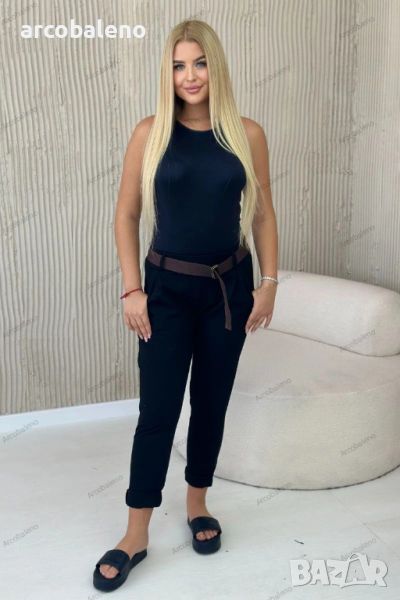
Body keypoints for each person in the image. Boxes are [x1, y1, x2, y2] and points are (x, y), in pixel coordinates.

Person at [93, 18, 278, 593]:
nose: (190, 75)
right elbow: (126, 213)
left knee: (211, 404)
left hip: (229, 290)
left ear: (215, 67)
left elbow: (263, 212)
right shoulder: (150, 132)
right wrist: (132, 290)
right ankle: (136, 532)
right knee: (158, 411)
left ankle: (197, 503)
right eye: (178, 65)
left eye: (199, 63)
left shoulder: (247, 134)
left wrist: (269, 282)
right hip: (166, 291)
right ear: (167, 73)